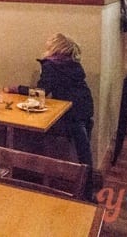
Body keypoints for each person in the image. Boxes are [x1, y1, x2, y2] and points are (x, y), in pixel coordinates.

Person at [7, 32, 94, 196]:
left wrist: (17, 89)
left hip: (70, 112)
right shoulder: (74, 64)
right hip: (85, 107)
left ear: (54, 48)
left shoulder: (51, 66)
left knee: (40, 132)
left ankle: (32, 175)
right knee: (84, 150)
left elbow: (41, 92)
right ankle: (87, 190)